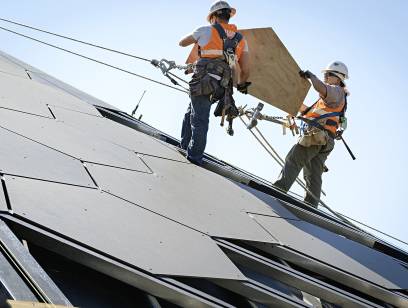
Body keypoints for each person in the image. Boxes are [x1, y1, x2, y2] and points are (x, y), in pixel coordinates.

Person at [179, 1, 250, 165]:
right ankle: (184, 146)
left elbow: (181, 42)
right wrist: (242, 84)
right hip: (221, 88)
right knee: (191, 112)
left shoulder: (206, 30)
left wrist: (198, 36)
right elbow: (245, 69)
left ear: (213, 17)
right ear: (228, 15)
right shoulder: (240, 39)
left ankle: (194, 157)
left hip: (203, 82)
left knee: (199, 119)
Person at [273, 61, 349, 207]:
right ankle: (311, 206)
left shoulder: (335, 91)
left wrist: (311, 76)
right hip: (325, 140)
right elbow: (308, 112)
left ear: (339, 78)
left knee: (294, 159)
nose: (326, 76)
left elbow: (321, 87)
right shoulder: (334, 99)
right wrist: (291, 102)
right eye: (325, 74)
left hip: (317, 136)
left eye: (329, 74)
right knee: (313, 173)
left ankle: (278, 189)